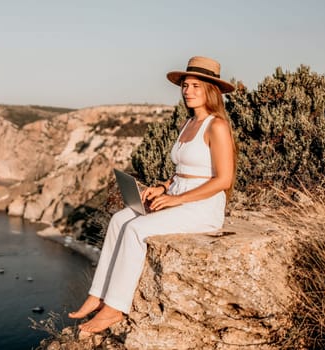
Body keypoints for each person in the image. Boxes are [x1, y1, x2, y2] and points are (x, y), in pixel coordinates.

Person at [69, 56, 237, 335]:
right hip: (179, 195)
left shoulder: (216, 126)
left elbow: (224, 179)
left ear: (211, 90)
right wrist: (163, 187)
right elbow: (184, 171)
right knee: (120, 219)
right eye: (185, 85)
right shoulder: (188, 124)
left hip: (202, 207)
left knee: (136, 229)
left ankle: (114, 308)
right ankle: (97, 294)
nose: (188, 91)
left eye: (196, 85)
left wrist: (176, 200)